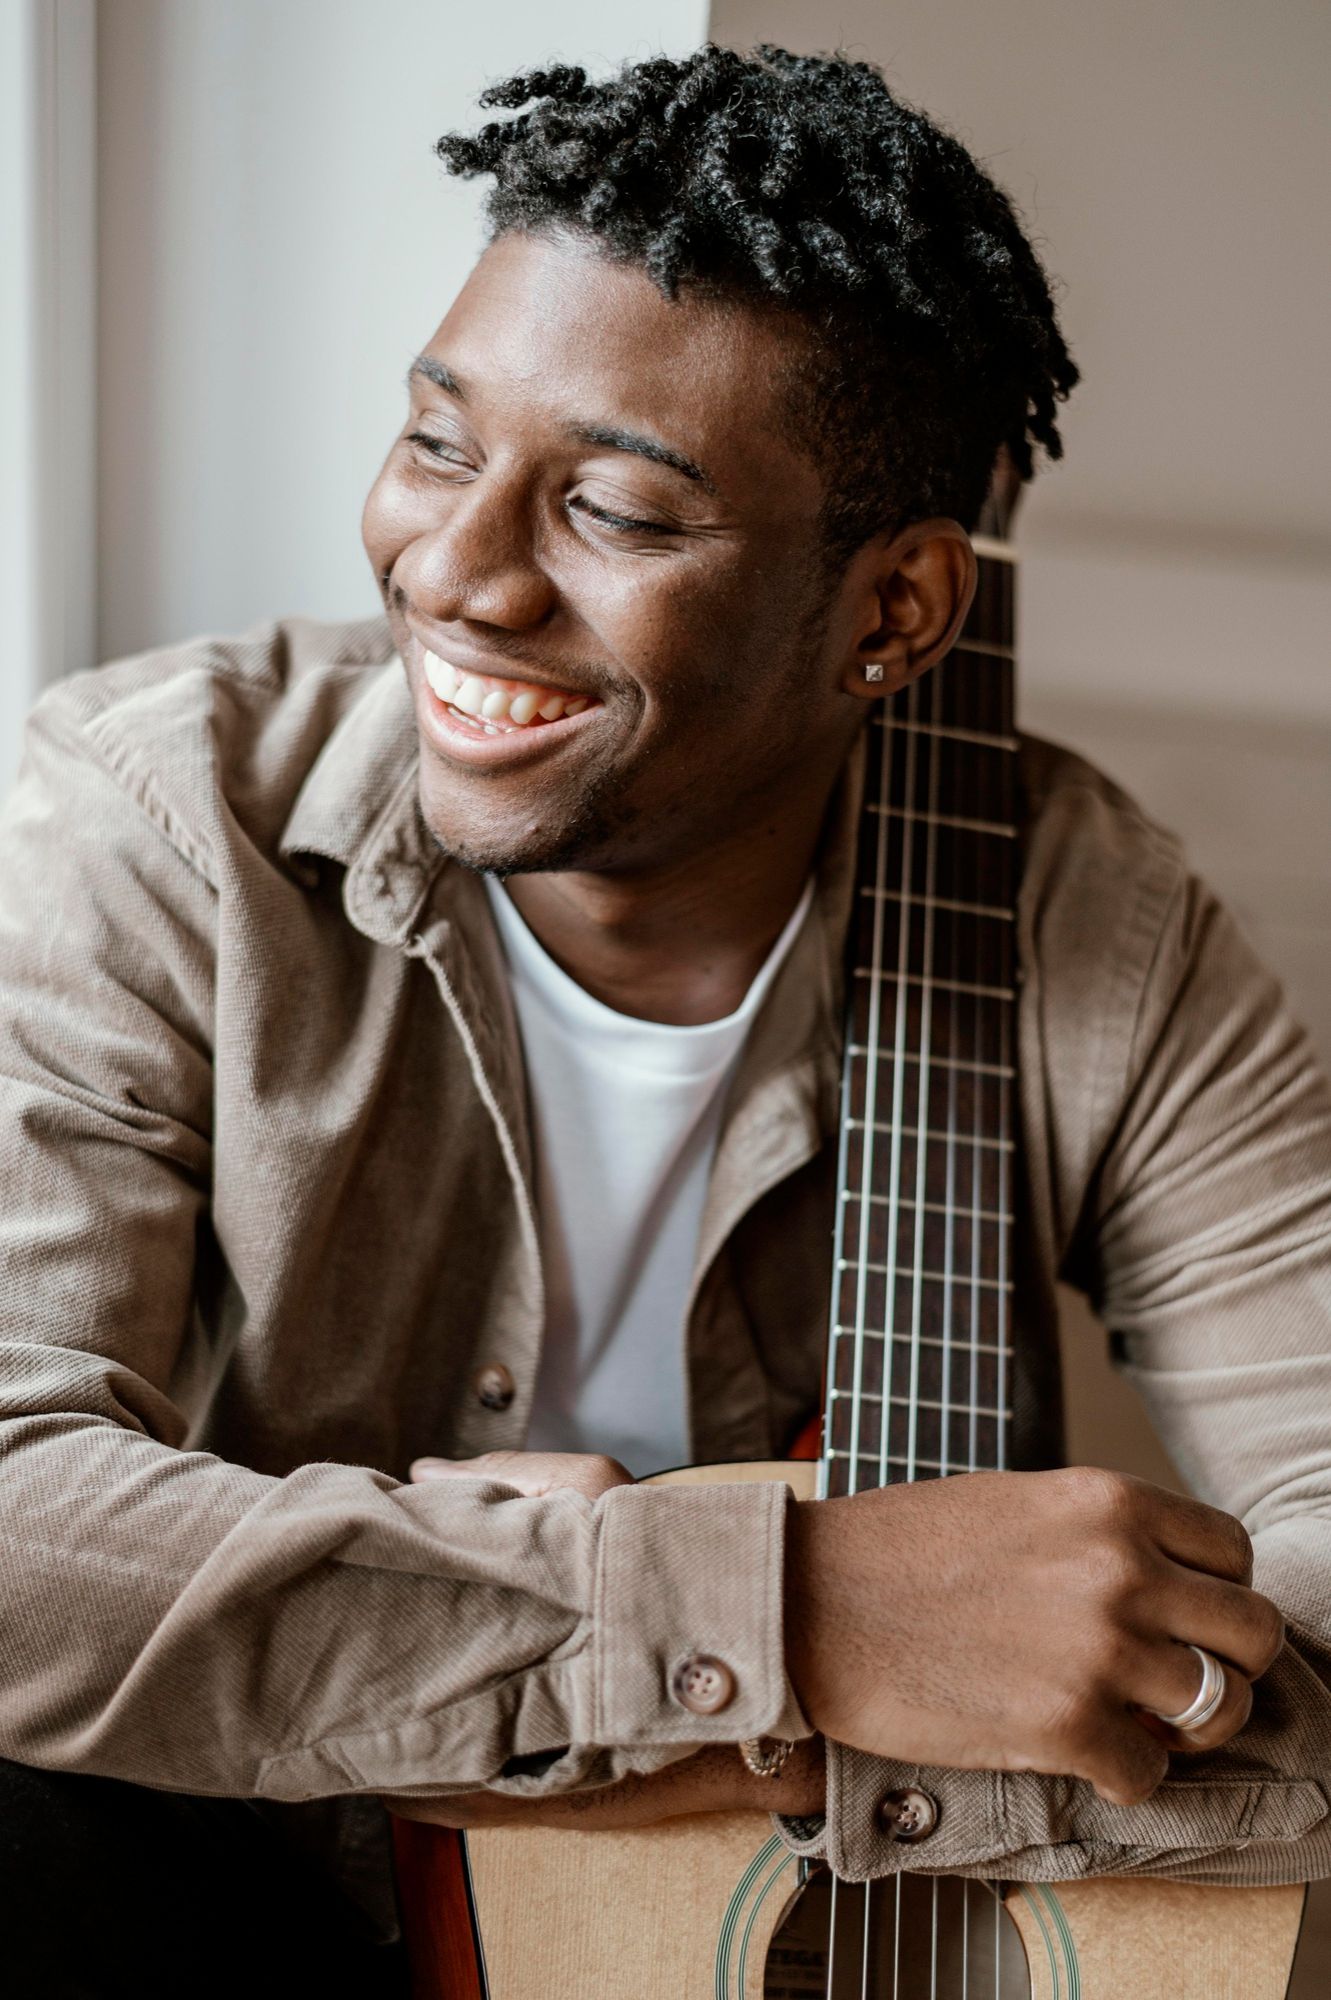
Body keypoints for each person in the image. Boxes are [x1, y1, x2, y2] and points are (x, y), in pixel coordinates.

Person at [0, 43, 1327, 1998]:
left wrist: (612, 1684)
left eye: (614, 510)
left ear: (892, 614)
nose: (448, 575)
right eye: (439, 441)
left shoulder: (1100, 930)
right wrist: (788, 1616)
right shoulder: (149, 821)